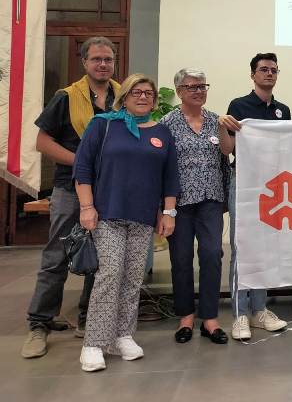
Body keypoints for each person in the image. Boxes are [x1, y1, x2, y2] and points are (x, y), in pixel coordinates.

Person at [21, 36, 120, 359]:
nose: (103, 64)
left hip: (108, 188)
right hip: (69, 187)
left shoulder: (122, 97)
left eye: (108, 59)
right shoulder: (65, 97)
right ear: (84, 62)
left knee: (101, 256)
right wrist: (80, 161)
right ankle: (39, 323)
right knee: (57, 256)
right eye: (97, 59)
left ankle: (88, 318)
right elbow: (42, 142)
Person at [74, 74, 179, 372]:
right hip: (107, 214)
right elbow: (82, 167)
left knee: (133, 278)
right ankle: (94, 343)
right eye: (136, 92)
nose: (143, 97)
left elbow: (170, 177)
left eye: (148, 93)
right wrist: (86, 207)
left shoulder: (162, 132)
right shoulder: (103, 125)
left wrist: (168, 213)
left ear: (154, 100)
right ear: (124, 97)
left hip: (143, 217)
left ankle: (122, 335)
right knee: (110, 274)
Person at [161, 69, 235, 345]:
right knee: (181, 259)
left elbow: (226, 152)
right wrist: (164, 208)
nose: (198, 91)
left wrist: (223, 129)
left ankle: (210, 318)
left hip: (210, 199)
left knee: (212, 254)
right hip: (178, 202)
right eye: (192, 87)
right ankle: (186, 317)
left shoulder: (216, 120)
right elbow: (161, 166)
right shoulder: (167, 123)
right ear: (179, 91)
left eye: (202, 86)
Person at [222, 53, 290, 340]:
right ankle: (240, 313)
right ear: (253, 74)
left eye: (274, 70)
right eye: (264, 69)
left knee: (265, 248)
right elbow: (227, 148)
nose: (269, 74)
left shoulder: (283, 110)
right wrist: (222, 125)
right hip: (245, 182)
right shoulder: (239, 106)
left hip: (272, 185)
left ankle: (259, 309)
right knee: (242, 247)